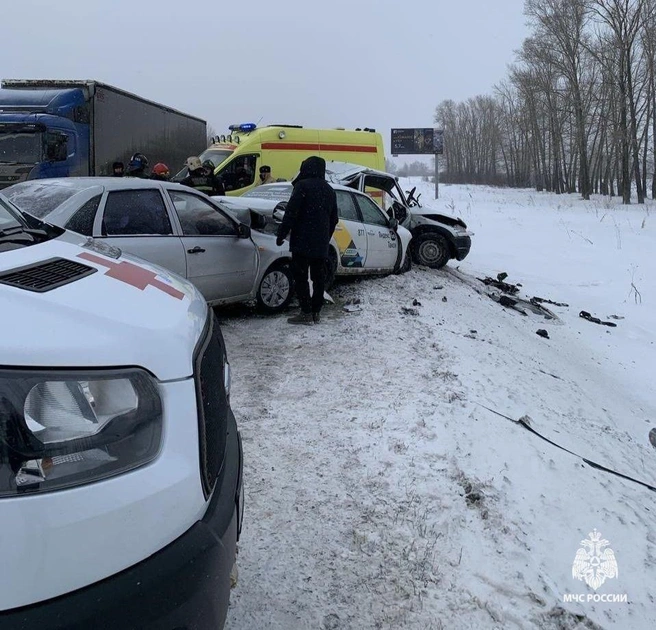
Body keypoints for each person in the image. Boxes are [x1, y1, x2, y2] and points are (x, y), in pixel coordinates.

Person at [276, 156, 338, 325]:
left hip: (301, 242)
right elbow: (334, 219)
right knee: (319, 279)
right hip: (320, 244)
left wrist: (281, 234)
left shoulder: (302, 186)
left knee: (301, 277)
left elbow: (291, 213)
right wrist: (326, 236)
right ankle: (316, 312)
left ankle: (305, 312)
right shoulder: (329, 190)